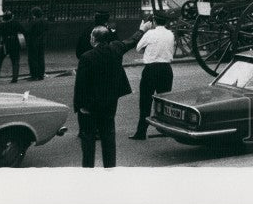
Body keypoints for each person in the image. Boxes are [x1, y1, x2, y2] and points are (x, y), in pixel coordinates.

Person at [74, 19, 151, 168]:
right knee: (108, 137)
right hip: (109, 102)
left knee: (88, 141)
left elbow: (81, 85)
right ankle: (110, 168)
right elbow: (131, 40)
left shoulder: (86, 57)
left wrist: (80, 105)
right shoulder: (115, 49)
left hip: (90, 105)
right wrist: (142, 29)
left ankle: (88, 170)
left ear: (93, 39)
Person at [130, 12, 176, 140]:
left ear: (154, 21)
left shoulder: (149, 33)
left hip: (151, 69)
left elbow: (138, 48)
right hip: (166, 69)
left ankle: (141, 131)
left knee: (145, 101)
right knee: (163, 101)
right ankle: (164, 129)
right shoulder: (170, 34)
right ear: (166, 22)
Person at [0, 11, 24, 84]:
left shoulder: (1, 25)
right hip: (15, 44)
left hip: (5, 45)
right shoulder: (16, 23)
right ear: (11, 17)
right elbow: (23, 31)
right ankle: (14, 78)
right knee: (15, 61)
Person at [26, 7, 48, 81]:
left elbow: (28, 31)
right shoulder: (44, 21)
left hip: (33, 42)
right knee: (41, 58)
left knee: (33, 58)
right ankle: (41, 74)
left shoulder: (33, 22)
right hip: (42, 42)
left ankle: (34, 75)